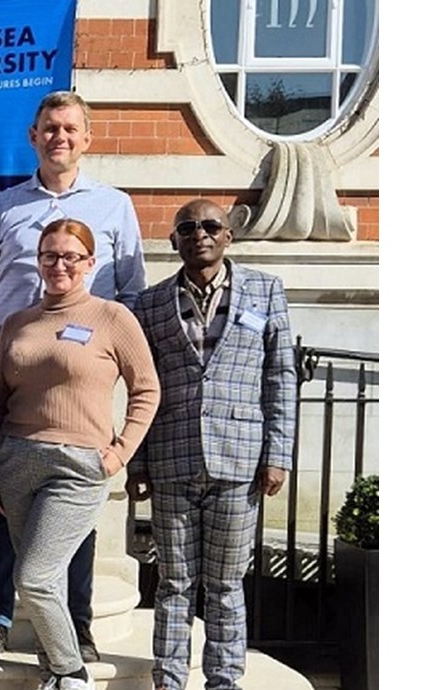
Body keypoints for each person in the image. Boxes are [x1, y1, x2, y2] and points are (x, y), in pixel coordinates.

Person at [0, 90, 146, 665]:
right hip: (12, 370)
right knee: (1, 504)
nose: (59, 137)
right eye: (49, 128)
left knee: (76, 513)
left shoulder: (115, 207)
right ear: (33, 137)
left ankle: (77, 624)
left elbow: (133, 292)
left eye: (70, 128)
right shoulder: (4, 208)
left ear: (86, 139)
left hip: (84, 377)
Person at [127, 199, 296, 690]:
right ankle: (170, 678)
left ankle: (223, 679)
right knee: (173, 583)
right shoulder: (149, 303)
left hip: (240, 458)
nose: (198, 233)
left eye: (209, 226)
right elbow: (143, 388)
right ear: (174, 240)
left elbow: (280, 377)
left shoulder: (266, 292)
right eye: (187, 227)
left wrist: (278, 455)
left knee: (225, 584)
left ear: (228, 236)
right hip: (171, 458)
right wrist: (138, 463)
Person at [0, 218, 159, 690]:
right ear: (37, 261)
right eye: (49, 256)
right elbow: (0, 398)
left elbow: (147, 389)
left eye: (69, 257)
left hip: (79, 466)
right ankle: (51, 671)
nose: (58, 265)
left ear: (89, 263)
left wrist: (120, 452)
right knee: (48, 577)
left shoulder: (112, 317)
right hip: (17, 459)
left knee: (35, 577)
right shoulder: (18, 323)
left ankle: (69, 670)